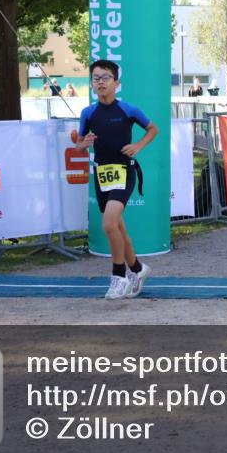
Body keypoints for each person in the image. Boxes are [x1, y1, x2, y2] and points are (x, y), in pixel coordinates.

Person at [74, 60, 159, 300]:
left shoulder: (129, 110)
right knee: (118, 227)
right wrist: (84, 143)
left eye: (106, 78)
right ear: (92, 83)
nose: (100, 82)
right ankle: (138, 269)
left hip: (124, 170)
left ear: (116, 83)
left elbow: (153, 129)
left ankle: (119, 276)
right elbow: (79, 145)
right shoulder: (88, 113)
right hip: (102, 174)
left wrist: (138, 146)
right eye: (96, 78)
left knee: (109, 224)